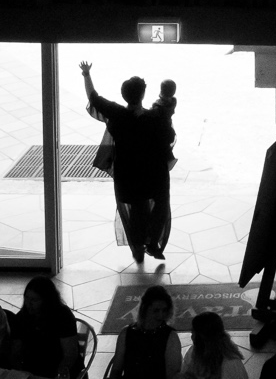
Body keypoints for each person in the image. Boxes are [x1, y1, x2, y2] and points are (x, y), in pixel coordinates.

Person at [82, 61, 170, 267]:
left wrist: (86, 74)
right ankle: (153, 242)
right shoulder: (152, 118)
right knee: (160, 204)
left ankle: (138, 246)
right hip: (152, 174)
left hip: (128, 174)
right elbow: (169, 135)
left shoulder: (117, 114)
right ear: (143, 95)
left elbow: (93, 97)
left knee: (138, 209)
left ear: (124, 96)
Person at [6, 275, 83, 379]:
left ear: (47, 301)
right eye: (27, 298)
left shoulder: (63, 316)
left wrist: (58, 375)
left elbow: (70, 356)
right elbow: (15, 352)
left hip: (62, 370)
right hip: (34, 370)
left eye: (34, 300)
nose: (29, 304)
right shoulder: (22, 317)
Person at [110, 284, 182, 379]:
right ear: (144, 309)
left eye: (164, 310)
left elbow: (172, 375)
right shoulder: (126, 333)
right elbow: (116, 370)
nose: (161, 316)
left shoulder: (171, 337)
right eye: (156, 311)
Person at [149, 79, 180, 258]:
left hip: (154, 160)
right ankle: (153, 242)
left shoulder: (157, 110)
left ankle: (148, 241)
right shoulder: (169, 106)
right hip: (160, 162)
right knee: (161, 202)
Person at [180, 311, 245, 379]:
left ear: (203, 338)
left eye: (194, 333)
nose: (192, 337)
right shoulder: (193, 351)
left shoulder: (230, 363)